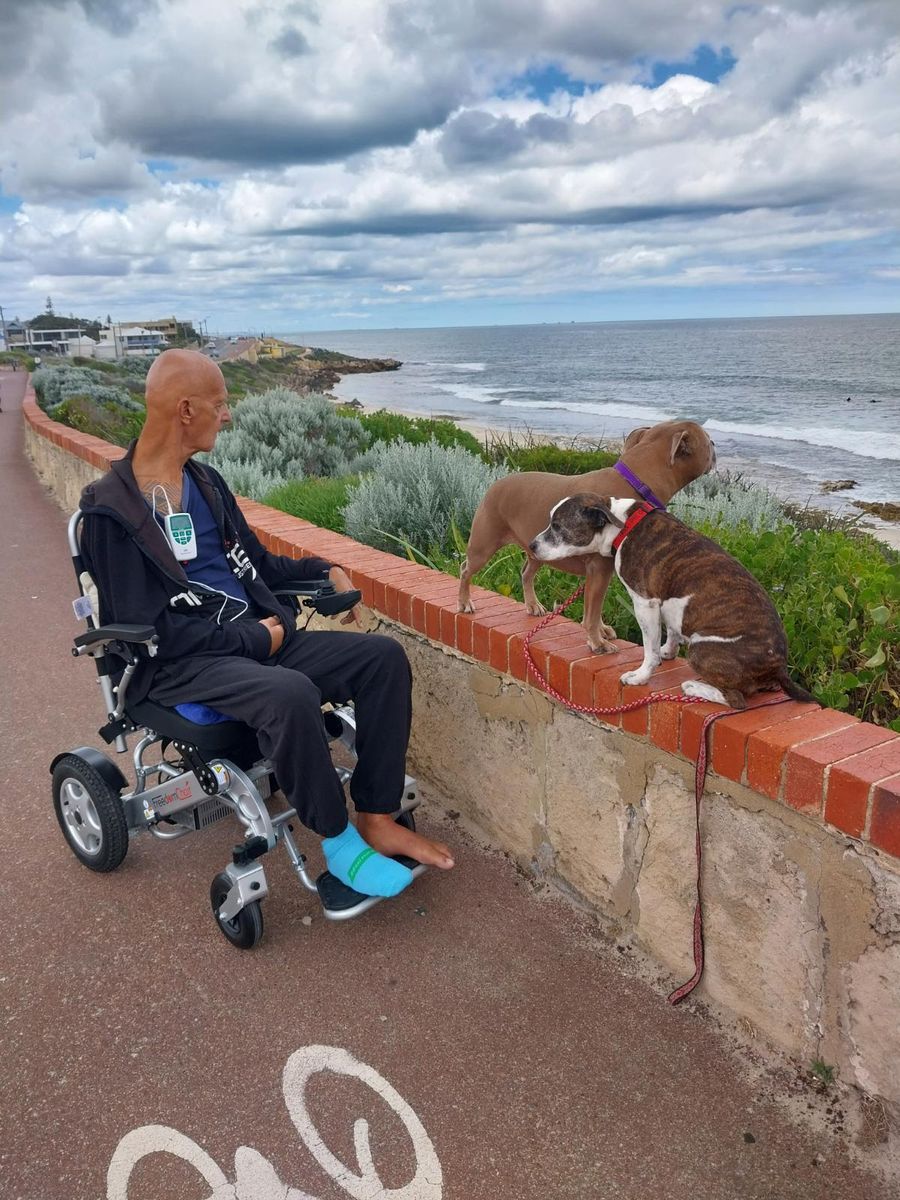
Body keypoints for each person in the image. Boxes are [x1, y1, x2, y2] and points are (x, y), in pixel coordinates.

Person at [80, 349, 454, 898]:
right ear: (186, 410)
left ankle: (376, 815)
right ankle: (339, 842)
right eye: (220, 403)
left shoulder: (206, 485)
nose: (227, 415)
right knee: (291, 693)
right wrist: (253, 636)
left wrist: (320, 571)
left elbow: (258, 564)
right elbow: (144, 627)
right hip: (183, 666)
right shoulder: (110, 512)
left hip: (260, 643)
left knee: (382, 659)